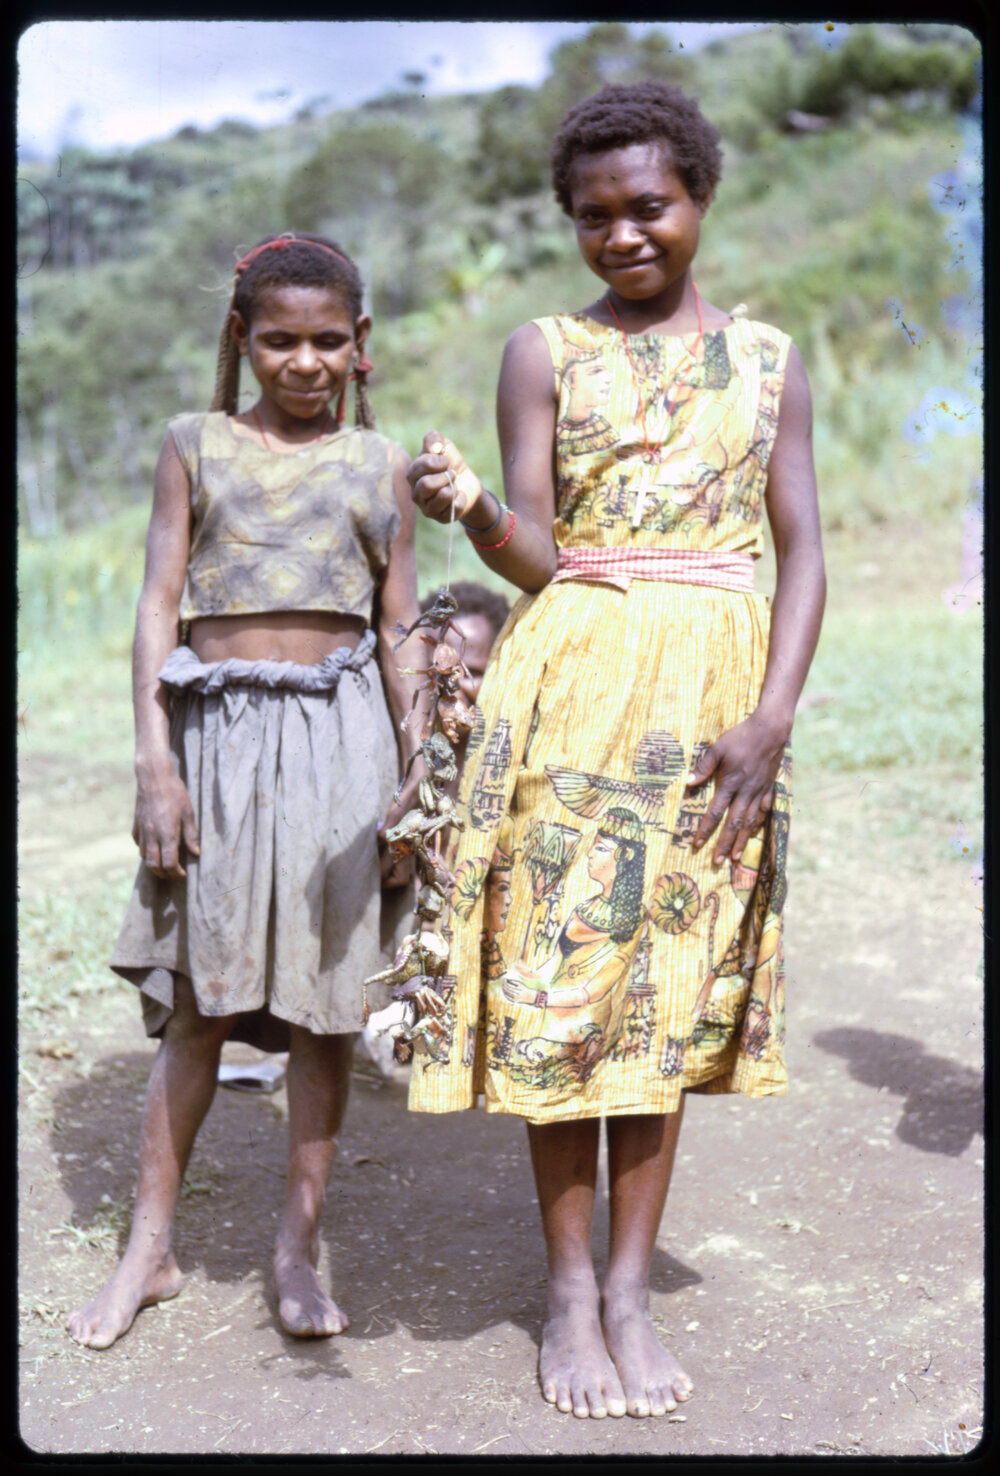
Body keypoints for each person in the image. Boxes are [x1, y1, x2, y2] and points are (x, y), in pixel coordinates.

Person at [405, 81, 825, 1421]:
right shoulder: (545, 351)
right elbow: (541, 552)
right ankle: (572, 1296)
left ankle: (634, 1295)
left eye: (648, 207)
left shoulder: (768, 362)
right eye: (595, 217)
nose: (624, 235)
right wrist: (473, 506)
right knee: (566, 986)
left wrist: (773, 717)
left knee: (670, 995)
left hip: (718, 716)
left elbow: (806, 548)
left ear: (698, 196)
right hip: (572, 692)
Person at [66, 232, 421, 1349]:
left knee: (323, 1015)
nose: (303, 361)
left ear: (359, 346)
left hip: (339, 741)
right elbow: (156, 601)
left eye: (326, 341)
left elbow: (398, 623)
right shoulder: (195, 445)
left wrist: (418, 772)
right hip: (212, 741)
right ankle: (151, 1251)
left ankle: (296, 1248)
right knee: (200, 1007)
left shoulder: (382, 464)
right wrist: (153, 757)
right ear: (243, 339)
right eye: (280, 340)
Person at [356, 580, 510, 1075]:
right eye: (443, 671)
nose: (457, 686)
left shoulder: (504, 771)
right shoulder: (395, 760)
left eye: (477, 673)